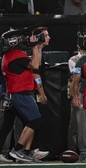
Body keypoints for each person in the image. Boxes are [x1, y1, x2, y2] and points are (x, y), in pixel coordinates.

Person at [1, 28, 43, 163]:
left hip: (14, 93)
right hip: (20, 93)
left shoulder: (11, 55)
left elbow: (37, 62)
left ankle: (26, 152)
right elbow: (35, 64)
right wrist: (35, 46)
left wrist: (37, 48)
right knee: (34, 120)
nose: (24, 39)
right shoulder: (15, 55)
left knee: (8, 125)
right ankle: (18, 150)